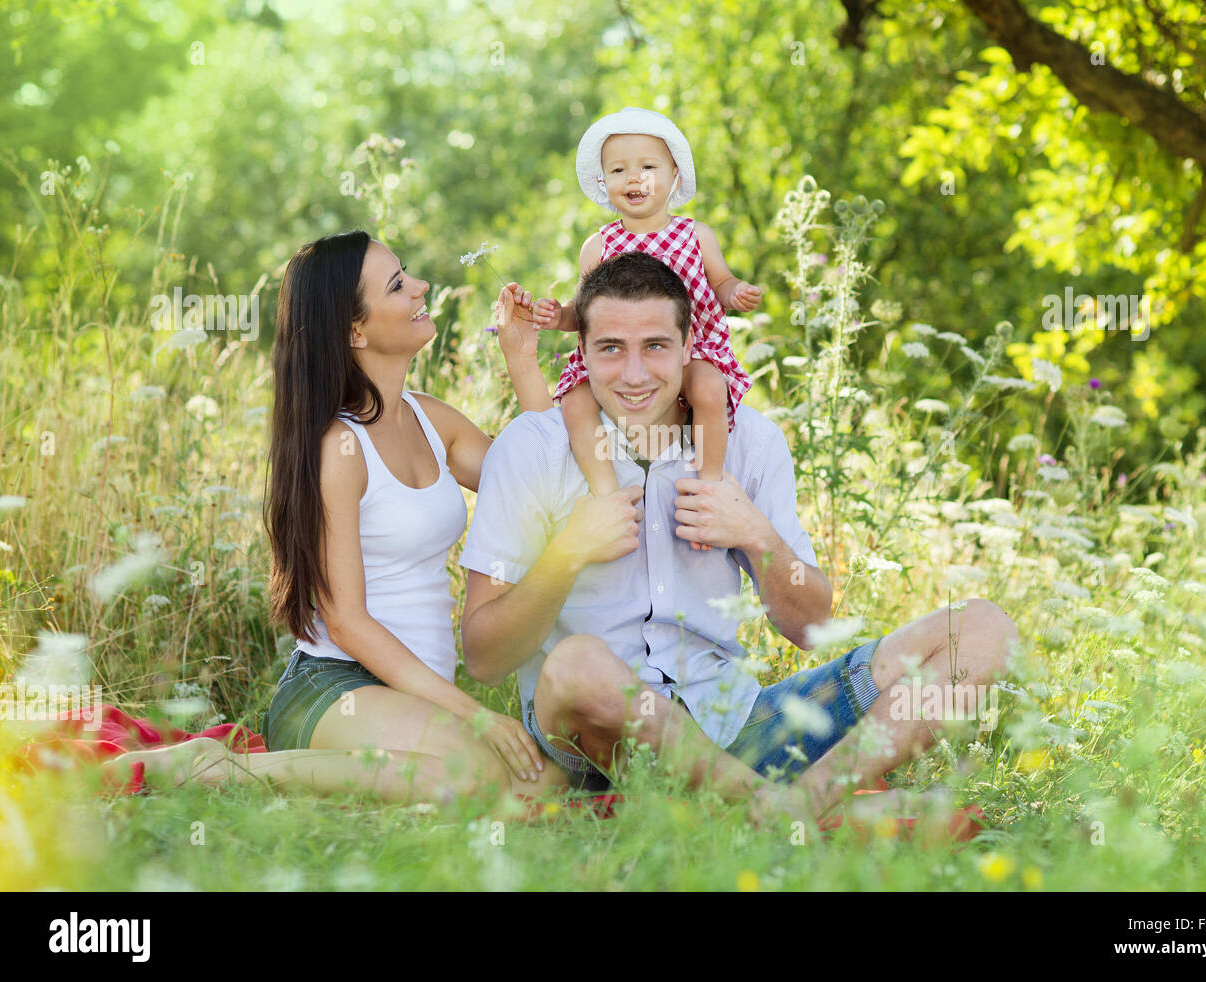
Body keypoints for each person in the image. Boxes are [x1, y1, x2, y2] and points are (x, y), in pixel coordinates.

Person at [460, 250, 1019, 827]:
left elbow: (813, 626)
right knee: (576, 664)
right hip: (593, 737)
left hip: (737, 723)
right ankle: (790, 813)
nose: (633, 374)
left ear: (688, 347)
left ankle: (800, 803)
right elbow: (483, 656)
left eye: (654, 346)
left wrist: (758, 536)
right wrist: (568, 552)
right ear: (581, 353)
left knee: (981, 629)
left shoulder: (749, 441)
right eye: (610, 349)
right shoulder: (532, 447)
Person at [113, 230, 572, 808]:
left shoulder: (431, 420)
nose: (422, 287)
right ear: (354, 329)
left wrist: (522, 359)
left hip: (412, 697)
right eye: (398, 284)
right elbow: (347, 623)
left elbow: (541, 485)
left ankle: (341, 773)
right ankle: (219, 767)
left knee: (548, 788)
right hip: (335, 690)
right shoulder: (338, 448)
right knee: (473, 781)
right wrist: (478, 717)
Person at [532, 107, 759, 552]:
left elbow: (721, 281)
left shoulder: (696, 235)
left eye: (648, 167)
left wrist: (735, 293)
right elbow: (584, 310)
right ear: (603, 181)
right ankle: (606, 494)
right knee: (575, 403)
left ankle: (708, 490)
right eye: (618, 170)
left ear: (675, 175)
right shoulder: (599, 245)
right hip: (620, 355)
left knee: (709, 391)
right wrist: (558, 316)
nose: (634, 179)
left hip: (691, 351)